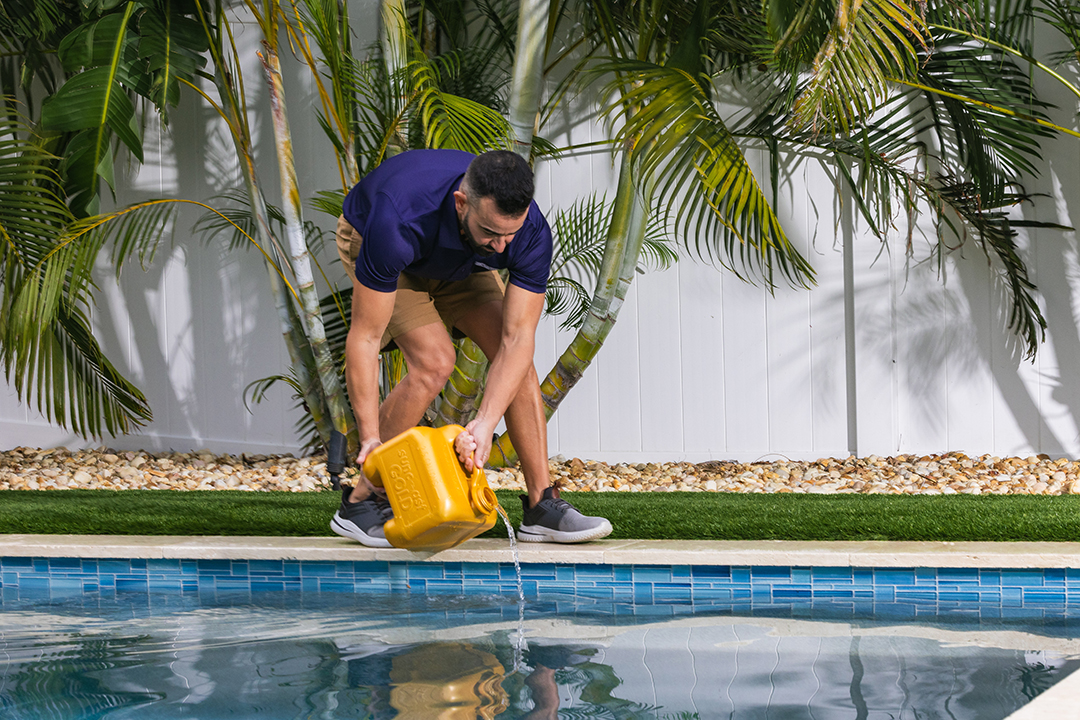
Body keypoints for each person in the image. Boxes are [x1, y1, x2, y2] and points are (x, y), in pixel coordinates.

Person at [329, 148, 613, 547]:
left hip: (461, 261)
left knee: (517, 363)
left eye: (509, 234)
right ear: (462, 203)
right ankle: (361, 502)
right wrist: (371, 439)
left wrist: (483, 422)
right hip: (388, 246)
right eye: (492, 233)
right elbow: (364, 338)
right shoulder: (397, 217)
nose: (501, 247)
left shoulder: (526, 232)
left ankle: (541, 506)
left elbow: (517, 341)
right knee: (435, 363)